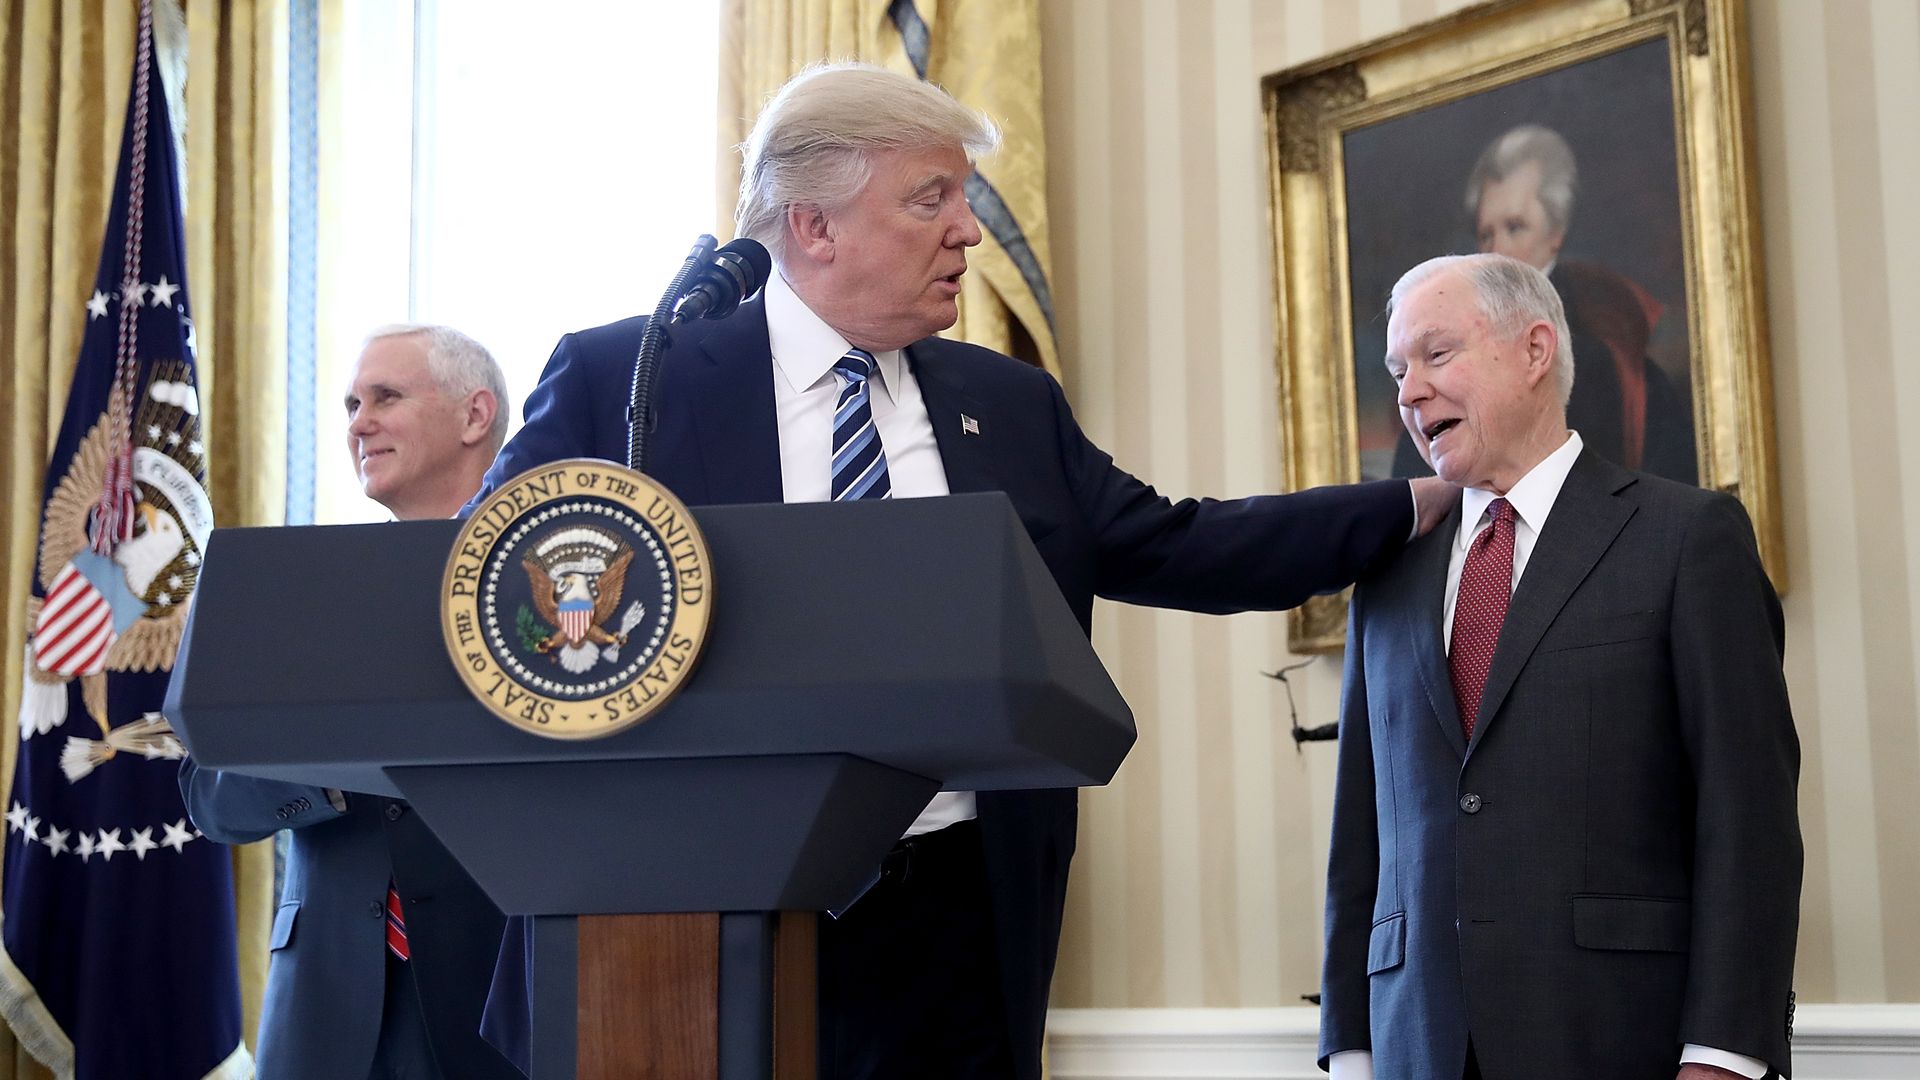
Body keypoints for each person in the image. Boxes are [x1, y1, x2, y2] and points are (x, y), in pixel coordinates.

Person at [472, 63, 1454, 1080]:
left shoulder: (1008, 403)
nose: (970, 233)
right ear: (815, 225)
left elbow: (1178, 543)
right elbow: (489, 589)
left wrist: (1415, 503)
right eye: (930, 199)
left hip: (953, 916)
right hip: (697, 910)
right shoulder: (630, 381)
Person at [1321, 254, 1799, 1079]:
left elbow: (1746, 814)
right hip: (1416, 1048)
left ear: (1535, 350)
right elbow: (1361, 834)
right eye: (1398, 370)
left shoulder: (1687, 538)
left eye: (1437, 355)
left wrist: (1723, 1053)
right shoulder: (1389, 573)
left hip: (1620, 1041)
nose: (1408, 392)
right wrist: (1354, 1048)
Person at [181, 325, 522, 1080]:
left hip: (504, 1006)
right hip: (326, 1013)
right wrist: (339, 765)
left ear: (474, 416)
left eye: (386, 397)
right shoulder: (301, 593)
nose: (358, 423)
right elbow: (210, 793)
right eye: (350, 403)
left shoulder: (546, 587)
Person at [1391, 124, 1697, 484]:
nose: (1496, 248)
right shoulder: (1433, 409)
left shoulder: (1602, 348)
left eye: (1515, 227)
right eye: (1486, 234)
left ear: (1555, 232)